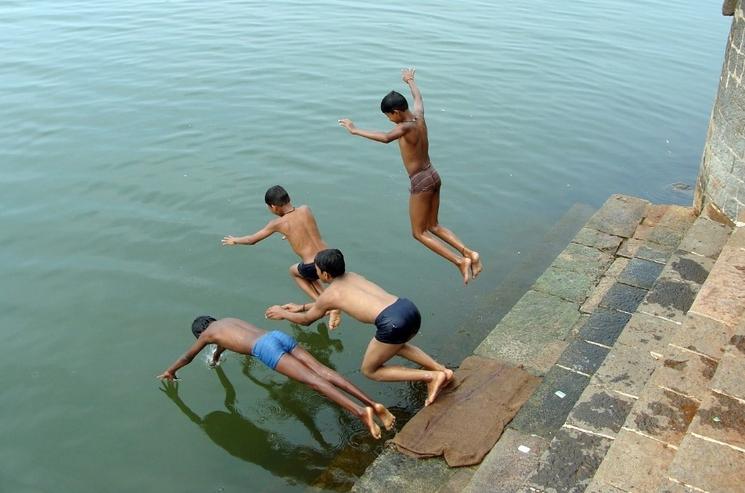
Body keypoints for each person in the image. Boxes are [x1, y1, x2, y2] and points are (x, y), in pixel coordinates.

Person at [338, 68, 482, 285]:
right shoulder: (419, 117)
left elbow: (386, 138)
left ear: (396, 111)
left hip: (421, 181)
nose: (389, 120)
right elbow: (418, 98)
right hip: (433, 174)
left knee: (418, 232)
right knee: (433, 225)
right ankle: (470, 253)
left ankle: (459, 261)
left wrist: (355, 130)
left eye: (388, 116)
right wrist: (411, 81)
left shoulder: (404, 127)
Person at [265, 249, 453, 406]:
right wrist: (302, 306)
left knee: (370, 370)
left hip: (392, 323)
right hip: (408, 308)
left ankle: (431, 377)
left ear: (326, 275)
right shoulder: (353, 276)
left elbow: (307, 320)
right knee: (396, 346)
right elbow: (345, 302)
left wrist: (283, 313)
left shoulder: (331, 294)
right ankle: (442, 370)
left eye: (317, 270)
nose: (316, 273)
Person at [156, 315, 395, 439]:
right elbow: (226, 341)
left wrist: (171, 370)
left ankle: (360, 413)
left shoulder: (206, 335)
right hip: (275, 336)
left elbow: (187, 357)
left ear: (200, 332)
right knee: (323, 371)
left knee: (314, 381)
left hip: (265, 349)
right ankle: (372, 404)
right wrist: (217, 356)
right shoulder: (225, 322)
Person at [222, 185, 341, 328]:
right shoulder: (305, 209)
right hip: (330, 256)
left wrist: (235, 240)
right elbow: (303, 229)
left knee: (294, 271)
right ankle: (326, 302)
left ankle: (323, 304)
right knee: (306, 273)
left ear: (273, 207)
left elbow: (252, 240)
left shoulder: (277, 223)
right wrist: (290, 235)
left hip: (313, 265)